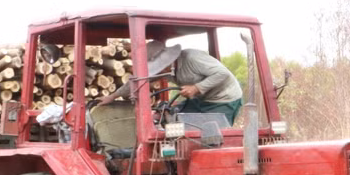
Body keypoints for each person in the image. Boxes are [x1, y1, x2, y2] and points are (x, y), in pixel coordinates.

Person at [101, 39, 245, 125]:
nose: (154, 72)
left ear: (166, 61)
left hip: (224, 100)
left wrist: (197, 87)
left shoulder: (192, 58)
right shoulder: (165, 70)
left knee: (209, 135)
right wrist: (112, 97)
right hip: (202, 100)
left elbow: (223, 74)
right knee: (168, 117)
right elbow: (137, 82)